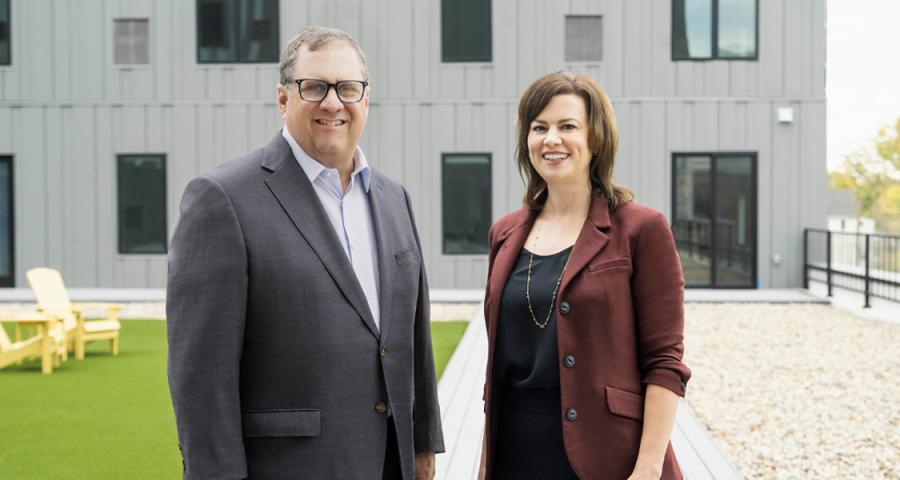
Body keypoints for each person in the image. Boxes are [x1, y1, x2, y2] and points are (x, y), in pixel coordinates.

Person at [166, 26, 444, 480]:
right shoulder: (223, 199)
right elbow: (200, 378)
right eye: (314, 87)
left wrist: (423, 442)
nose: (333, 103)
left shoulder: (395, 201)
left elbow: (414, 337)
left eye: (348, 88)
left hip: (390, 464)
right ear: (283, 99)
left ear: (365, 100)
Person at [478, 71, 692, 480]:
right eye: (539, 127)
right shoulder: (503, 233)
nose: (551, 139)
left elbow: (665, 362)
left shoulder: (641, 229)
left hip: (609, 454)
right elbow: (496, 370)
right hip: (516, 452)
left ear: (595, 138)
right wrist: (485, 465)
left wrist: (647, 469)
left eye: (567, 126)